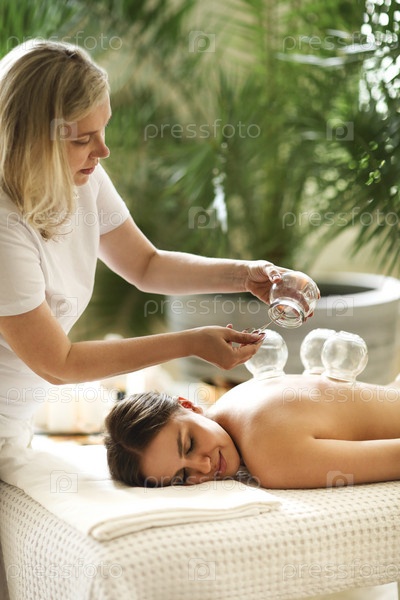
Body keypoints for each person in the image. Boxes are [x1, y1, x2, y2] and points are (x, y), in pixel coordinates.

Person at [0, 39, 313, 450]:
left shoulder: (81, 178)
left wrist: (244, 275)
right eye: (83, 139)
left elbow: (146, 265)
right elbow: (60, 364)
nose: (103, 150)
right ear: (29, 141)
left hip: (14, 426)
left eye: (103, 129)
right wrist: (190, 343)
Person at [104, 374, 400, 489]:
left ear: (188, 405)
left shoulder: (268, 454)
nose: (203, 467)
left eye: (190, 444)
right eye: (182, 476)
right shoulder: (236, 398)